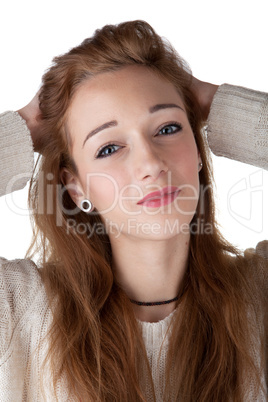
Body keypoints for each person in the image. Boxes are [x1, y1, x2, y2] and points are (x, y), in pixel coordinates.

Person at [0, 20, 267, 401]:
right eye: (109, 148)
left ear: (197, 150)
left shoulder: (259, 298)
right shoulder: (19, 313)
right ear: (76, 188)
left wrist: (215, 105)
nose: (151, 164)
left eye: (167, 128)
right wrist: (23, 130)